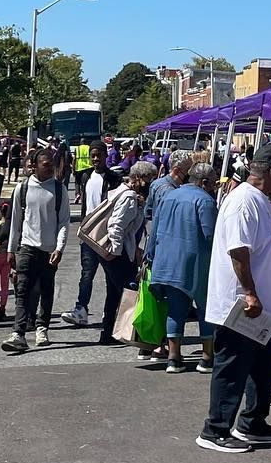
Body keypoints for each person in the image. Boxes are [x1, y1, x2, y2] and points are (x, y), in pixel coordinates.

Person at [197, 144, 271, 454]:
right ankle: (215, 428)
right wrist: (250, 292)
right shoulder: (243, 202)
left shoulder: (258, 200)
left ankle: (253, 422)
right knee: (233, 366)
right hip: (244, 304)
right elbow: (238, 251)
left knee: (263, 367)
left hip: (264, 307)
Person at [145, 159, 217, 373]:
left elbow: (154, 229)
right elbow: (210, 234)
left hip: (166, 262)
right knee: (206, 310)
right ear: (204, 182)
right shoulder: (205, 201)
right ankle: (206, 357)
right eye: (213, 183)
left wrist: (151, 257)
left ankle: (174, 358)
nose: (214, 187)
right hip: (196, 264)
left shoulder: (169, 196)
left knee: (175, 311)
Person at [2, 148, 71, 354]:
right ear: (35, 165)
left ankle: (42, 327)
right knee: (22, 290)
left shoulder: (59, 190)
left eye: (52, 164)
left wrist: (59, 248)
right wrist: (11, 249)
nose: (50, 168)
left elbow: (64, 222)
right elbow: (15, 221)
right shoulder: (22, 189)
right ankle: (19, 333)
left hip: (49, 250)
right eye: (46, 164)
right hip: (27, 247)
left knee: (46, 290)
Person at [62, 143, 121, 329]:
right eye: (93, 156)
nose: (96, 159)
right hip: (88, 235)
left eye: (99, 155)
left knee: (112, 277)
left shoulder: (114, 179)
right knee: (87, 274)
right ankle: (81, 308)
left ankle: (114, 312)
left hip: (106, 235)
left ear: (105, 156)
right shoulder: (85, 175)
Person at [99, 161, 154, 345]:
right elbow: (116, 225)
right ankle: (128, 332)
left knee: (114, 294)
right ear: (138, 178)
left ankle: (109, 333)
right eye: (148, 178)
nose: (150, 182)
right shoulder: (129, 196)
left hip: (118, 252)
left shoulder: (124, 192)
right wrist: (115, 251)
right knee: (129, 291)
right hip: (119, 253)